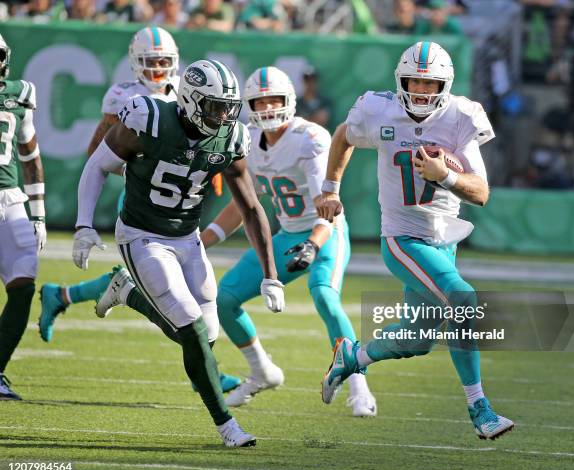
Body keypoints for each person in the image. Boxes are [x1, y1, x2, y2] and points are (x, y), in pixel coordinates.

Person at [72, 59, 284, 447]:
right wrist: (84, 224)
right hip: (142, 235)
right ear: (188, 101)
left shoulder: (230, 138)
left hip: (188, 239)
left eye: (227, 108)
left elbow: (251, 207)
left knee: (207, 335)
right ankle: (227, 426)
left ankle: (126, 291)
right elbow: (97, 165)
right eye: (213, 106)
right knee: (190, 328)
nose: (222, 116)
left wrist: (271, 273)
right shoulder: (147, 118)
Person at [317, 41, 514, 440]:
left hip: (444, 240)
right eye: (414, 82)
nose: (421, 91)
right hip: (403, 238)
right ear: (401, 80)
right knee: (463, 298)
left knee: (419, 337)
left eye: (430, 83)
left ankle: (352, 356)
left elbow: (480, 192)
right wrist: (330, 188)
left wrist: (446, 176)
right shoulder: (379, 110)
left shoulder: (461, 116)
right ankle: (480, 408)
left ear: (446, 84)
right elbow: (343, 136)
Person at [38, 26, 240, 393]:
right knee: (169, 294)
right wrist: (139, 166)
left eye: (165, 61)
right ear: (135, 63)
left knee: (186, 294)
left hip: (180, 199)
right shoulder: (125, 97)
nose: (159, 68)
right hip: (142, 194)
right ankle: (206, 369)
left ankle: (65, 294)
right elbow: (100, 150)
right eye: (151, 61)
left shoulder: (190, 89)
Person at [199, 66, 377, 416]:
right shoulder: (246, 139)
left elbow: (328, 206)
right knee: (226, 299)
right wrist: (201, 242)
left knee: (324, 294)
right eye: (260, 101)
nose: (266, 108)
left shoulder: (309, 138)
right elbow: (242, 207)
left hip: (325, 230)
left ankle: (358, 383)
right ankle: (262, 371)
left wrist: (313, 244)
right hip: (287, 234)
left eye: (274, 100)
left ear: (289, 101)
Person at [0, 33, 47, 400]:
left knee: (23, 285)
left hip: (11, 202)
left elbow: (29, 153)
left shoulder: (20, 94)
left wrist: (39, 214)